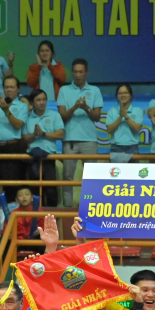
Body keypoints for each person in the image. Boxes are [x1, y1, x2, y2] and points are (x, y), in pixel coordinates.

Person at [56, 59, 103, 206]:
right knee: (68, 177)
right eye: (75, 71)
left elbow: (97, 117)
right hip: (69, 139)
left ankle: (90, 207)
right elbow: (63, 116)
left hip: (89, 140)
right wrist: (75, 107)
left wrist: (86, 108)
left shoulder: (94, 90)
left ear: (86, 73)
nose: (77, 75)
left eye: (81, 71)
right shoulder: (64, 90)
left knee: (91, 177)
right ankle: (67, 208)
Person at [22, 88, 64, 190]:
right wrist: (34, 135)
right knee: (34, 190)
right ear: (32, 102)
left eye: (44, 99)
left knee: (50, 191)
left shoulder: (54, 115)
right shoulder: (26, 117)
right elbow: (24, 138)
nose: (42, 102)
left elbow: (60, 135)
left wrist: (43, 133)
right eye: (38, 100)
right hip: (32, 158)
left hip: (49, 157)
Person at [105, 84, 144, 164]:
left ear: (131, 95)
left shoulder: (138, 111)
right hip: (116, 148)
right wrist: (120, 117)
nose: (123, 95)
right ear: (116, 96)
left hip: (133, 148)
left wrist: (125, 116)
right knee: (116, 175)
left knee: (133, 175)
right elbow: (109, 130)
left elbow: (137, 129)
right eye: (120, 93)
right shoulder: (112, 112)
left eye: (125, 93)